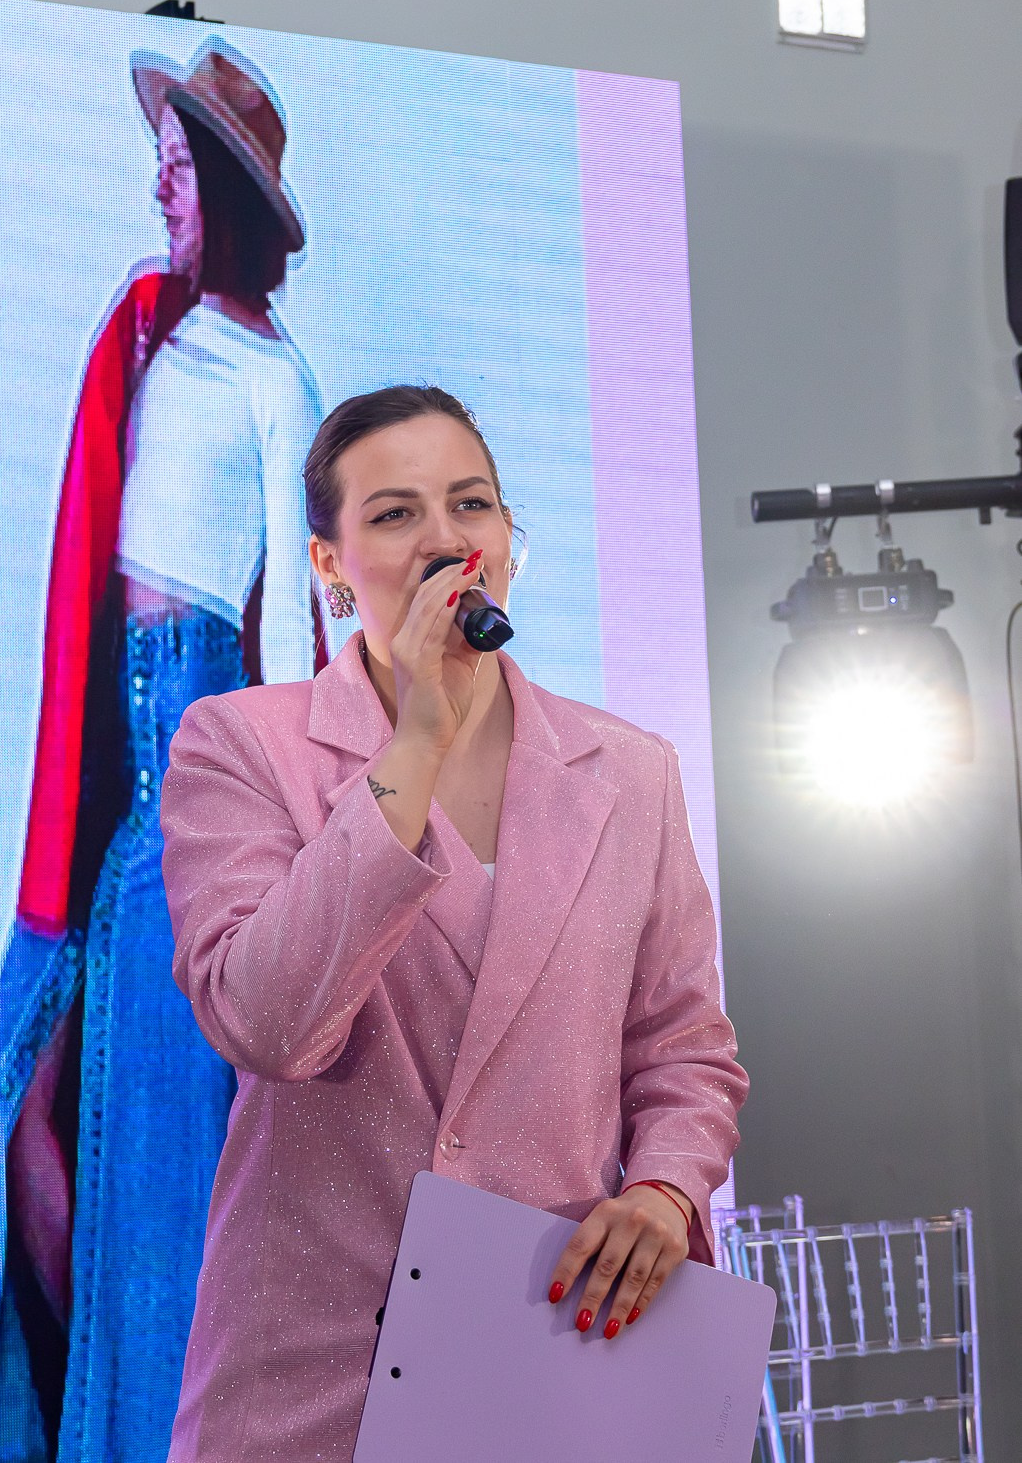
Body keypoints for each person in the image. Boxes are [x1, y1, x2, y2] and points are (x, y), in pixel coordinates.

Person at [159, 383, 749, 1463]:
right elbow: (268, 1023)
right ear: (330, 567)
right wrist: (414, 748)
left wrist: (666, 1191)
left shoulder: (630, 772)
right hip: (317, 1378)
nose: (445, 540)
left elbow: (683, 1049)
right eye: (395, 514)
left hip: (554, 1356)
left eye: (471, 505)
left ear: (509, 542)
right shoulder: (238, 745)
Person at [0, 39, 322, 1463]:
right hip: (123, 789)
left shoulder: (275, 381)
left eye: (178, 165)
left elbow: (295, 632)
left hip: (204, 773)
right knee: (19, 1118)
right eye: (158, 161)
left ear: (227, 190)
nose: (158, 185)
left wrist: (292, 852)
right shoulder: (152, 339)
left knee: (154, 1186)